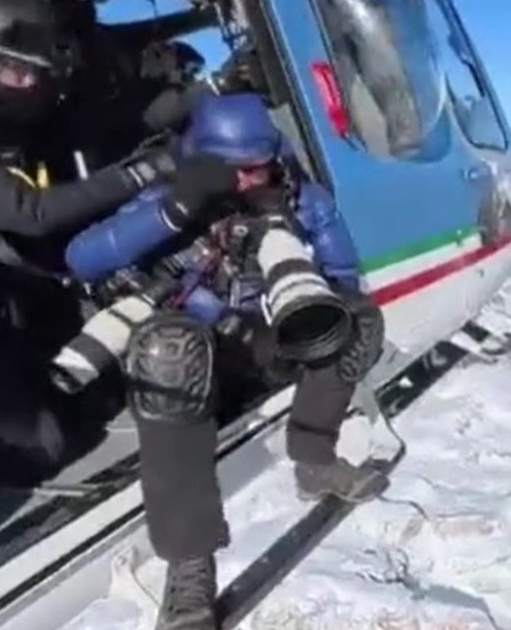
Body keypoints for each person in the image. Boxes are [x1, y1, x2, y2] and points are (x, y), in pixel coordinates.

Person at [62, 93, 389, 630]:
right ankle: (189, 563)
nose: (242, 183)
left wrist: (299, 286)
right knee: (171, 352)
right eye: (227, 172)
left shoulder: (300, 200)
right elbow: (83, 258)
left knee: (358, 322)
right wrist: (176, 211)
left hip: (268, 342)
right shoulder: (175, 197)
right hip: (191, 349)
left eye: (254, 169)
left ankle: (313, 455)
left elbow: (343, 274)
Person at [0, 0, 239, 470]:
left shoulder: (30, 112)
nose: (24, 81)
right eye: (7, 69)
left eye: (31, 72)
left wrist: (207, 87)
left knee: (93, 406)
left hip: (31, 280)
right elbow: (31, 212)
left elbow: (117, 118)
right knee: (43, 448)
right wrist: (143, 173)